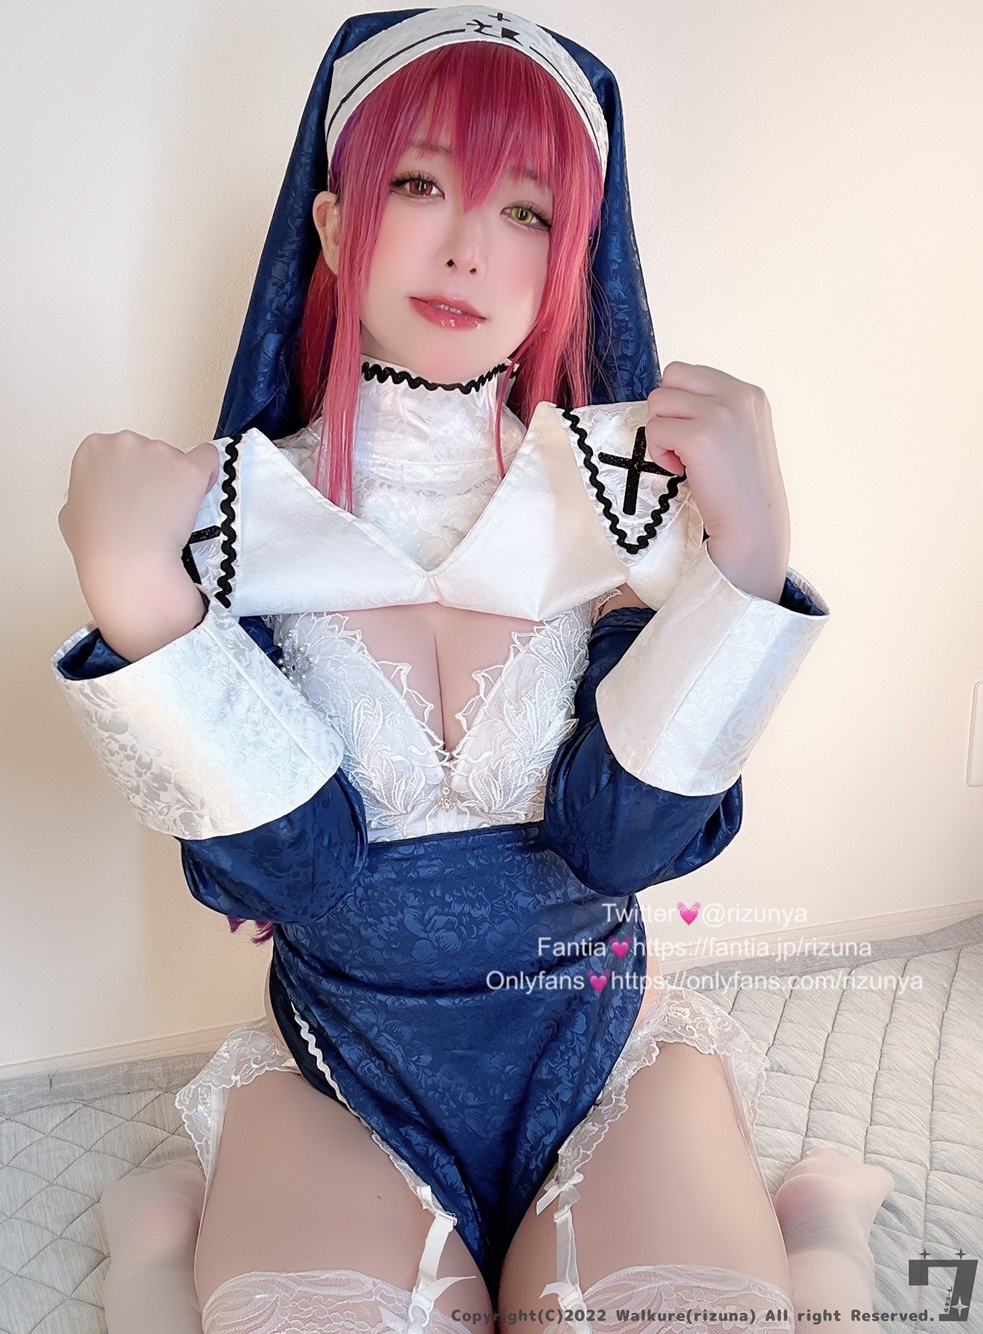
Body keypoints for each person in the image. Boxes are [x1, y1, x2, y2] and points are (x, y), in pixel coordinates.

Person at [52, 8, 893, 1332]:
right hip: (345, 1068)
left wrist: (750, 562)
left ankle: (821, 1217)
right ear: (335, 225)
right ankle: (156, 1230)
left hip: (596, 1045)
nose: (467, 247)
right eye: (420, 183)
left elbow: (622, 845)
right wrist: (143, 605)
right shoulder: (227, 516)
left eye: (528, 212)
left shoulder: (616, 500)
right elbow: (296, 873)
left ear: (572, 263)